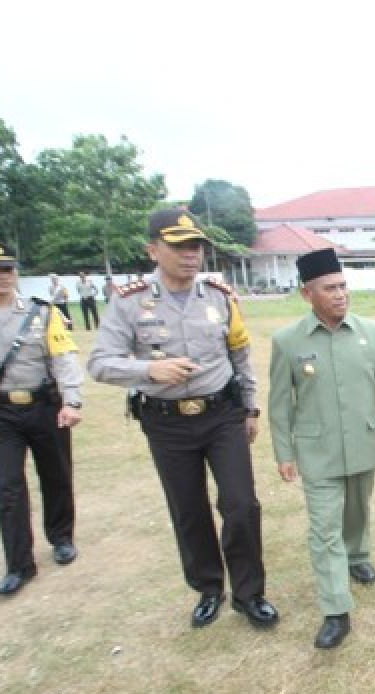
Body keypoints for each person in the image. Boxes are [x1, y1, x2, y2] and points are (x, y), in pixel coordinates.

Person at [88, 209, 276, 630]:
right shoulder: (129, 301)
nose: (191, 255)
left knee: (241, 505)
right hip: (166, 421)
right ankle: (209, 587)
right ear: (152, 249)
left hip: (222, 414)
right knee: (188, 509)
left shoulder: (219, 295)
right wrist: (147, 371)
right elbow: (99, 363)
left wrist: (250, 407)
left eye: (196, 247)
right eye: (179, 246)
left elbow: (240, 355)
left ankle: (250, 594)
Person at [269, 247, 375, 649]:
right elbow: (280, 403)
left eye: (343, 286)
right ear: (307, 295)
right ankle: (336, 609)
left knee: (357, 508)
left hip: (365, 440)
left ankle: (358, 555)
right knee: (324, 529)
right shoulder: (287, 341)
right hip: (317, 452)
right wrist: (284, 453)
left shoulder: (372, 333)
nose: (340, 295)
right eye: (329, 288)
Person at [0, 240, 83, 595]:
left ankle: (61, 537)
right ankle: (18, 565)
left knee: (55, 475)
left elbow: (63, 357)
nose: (3, 276)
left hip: (44, 404)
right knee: (8, 486)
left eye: (8, 269)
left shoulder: (44, 313)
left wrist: (72, 400)